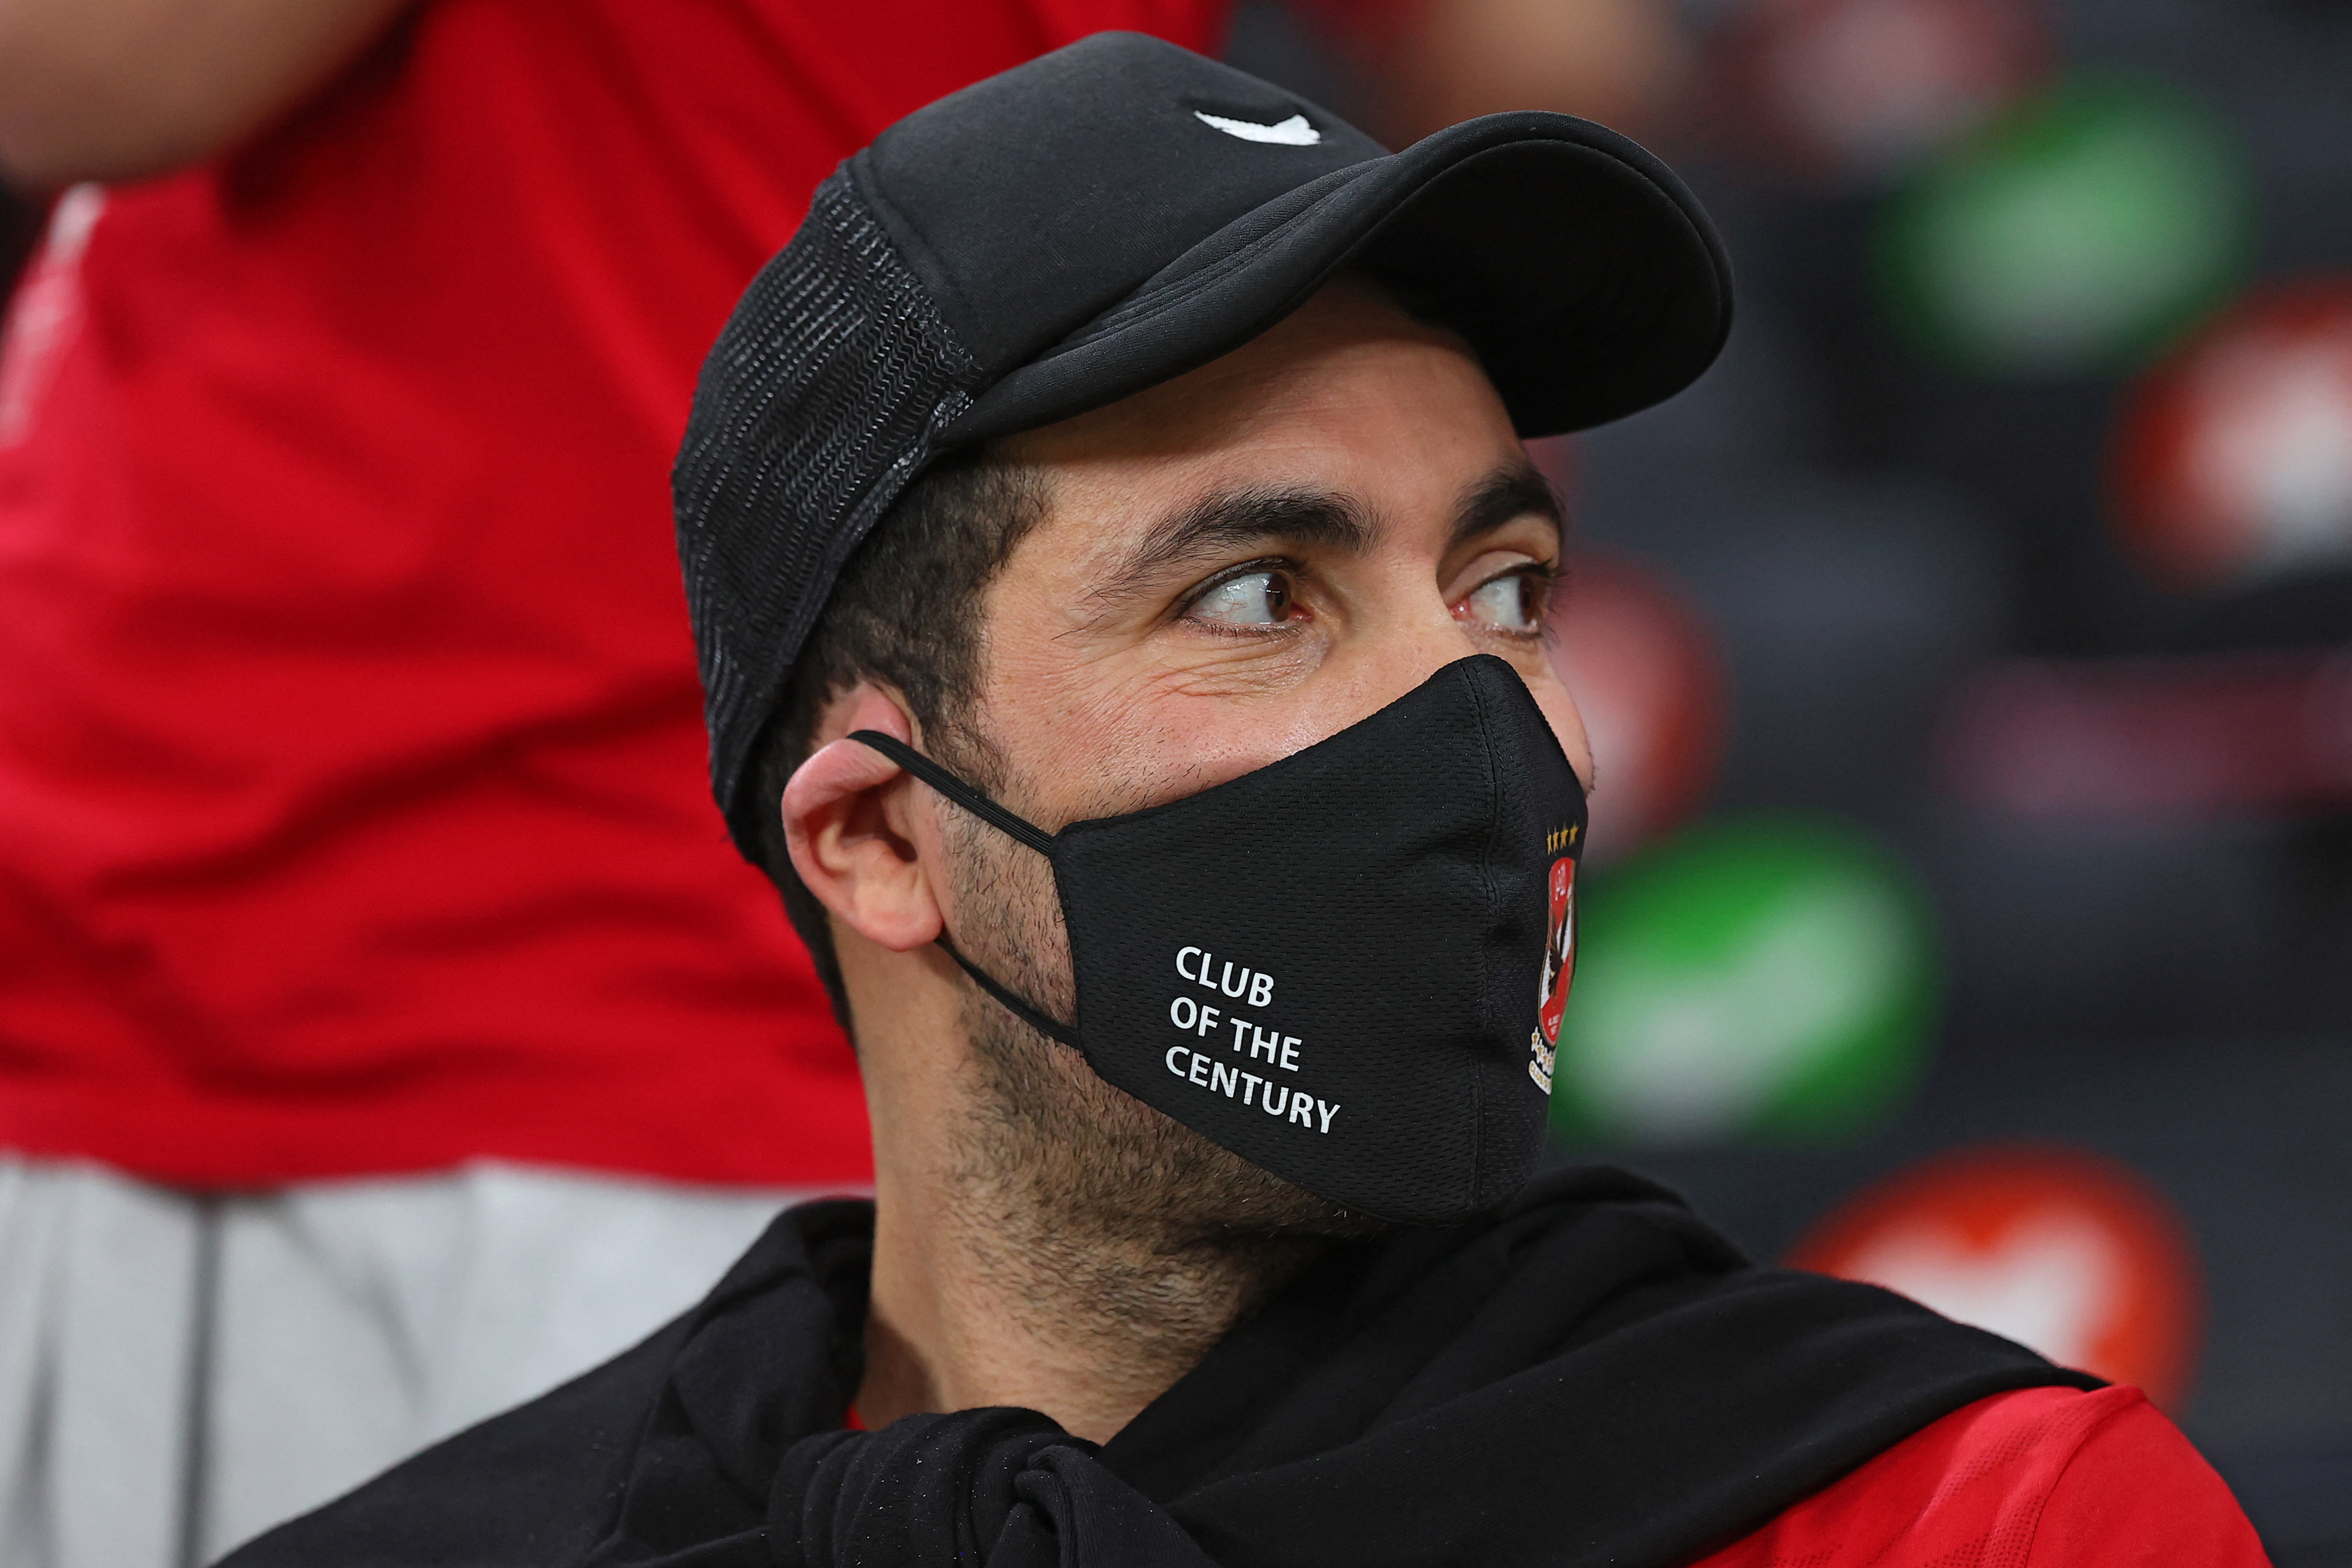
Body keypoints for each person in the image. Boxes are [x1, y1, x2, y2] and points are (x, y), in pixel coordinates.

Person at [222, 35, 2266, 1567]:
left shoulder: (1974, 1519)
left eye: (1508, 589)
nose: (1477, 718)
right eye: (1260, 595)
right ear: (878, 837)